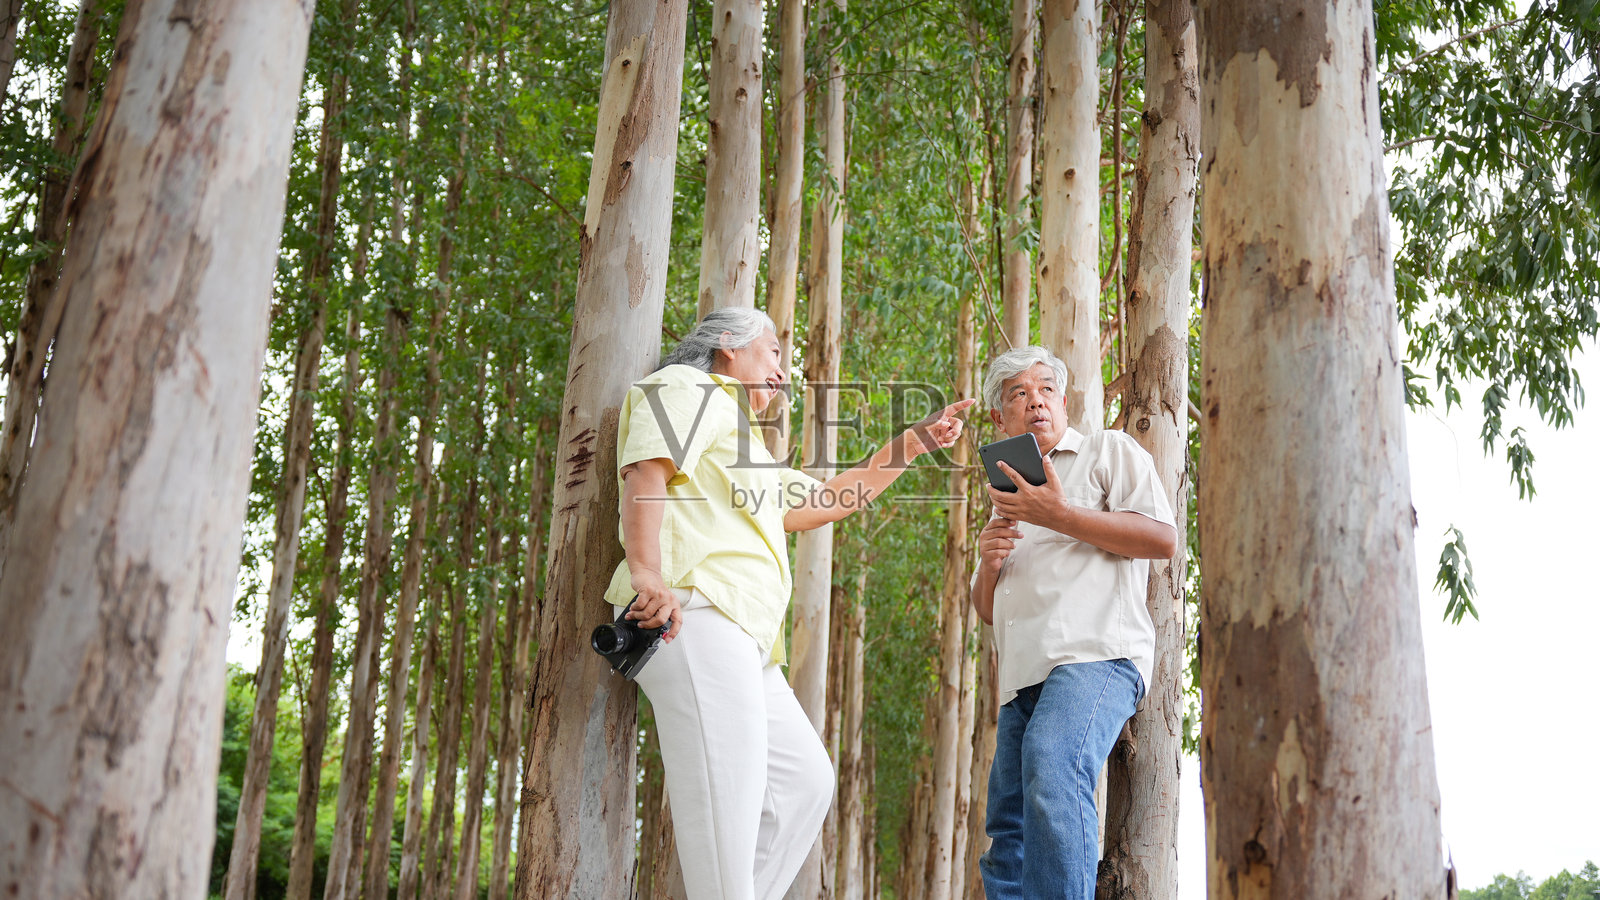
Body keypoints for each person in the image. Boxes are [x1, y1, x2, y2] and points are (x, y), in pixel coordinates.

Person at [609, 306, 974, 900]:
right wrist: (647, 572)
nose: (782, 369)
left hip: (749, 640)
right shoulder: (688, 386)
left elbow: (830, 498)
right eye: (773, 350)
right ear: (727, 344)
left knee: (805, 782)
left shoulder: (745, 446)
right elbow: (646, 471)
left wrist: (910, 444)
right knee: (730, 806)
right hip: (695, 614)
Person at [970, 346, 1179, 900]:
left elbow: (1161, 539)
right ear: (1000, 417)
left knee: (1054, 760)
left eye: (1045, 389)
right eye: (1019, 393)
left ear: (1063, 401)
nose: (1035, 400)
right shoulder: (1003, 497)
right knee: (1007, 829)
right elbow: (987, 608)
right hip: (1022, 681)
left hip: (1095, 656)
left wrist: (1061, 515)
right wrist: (989, 564)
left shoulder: (1108, 450)